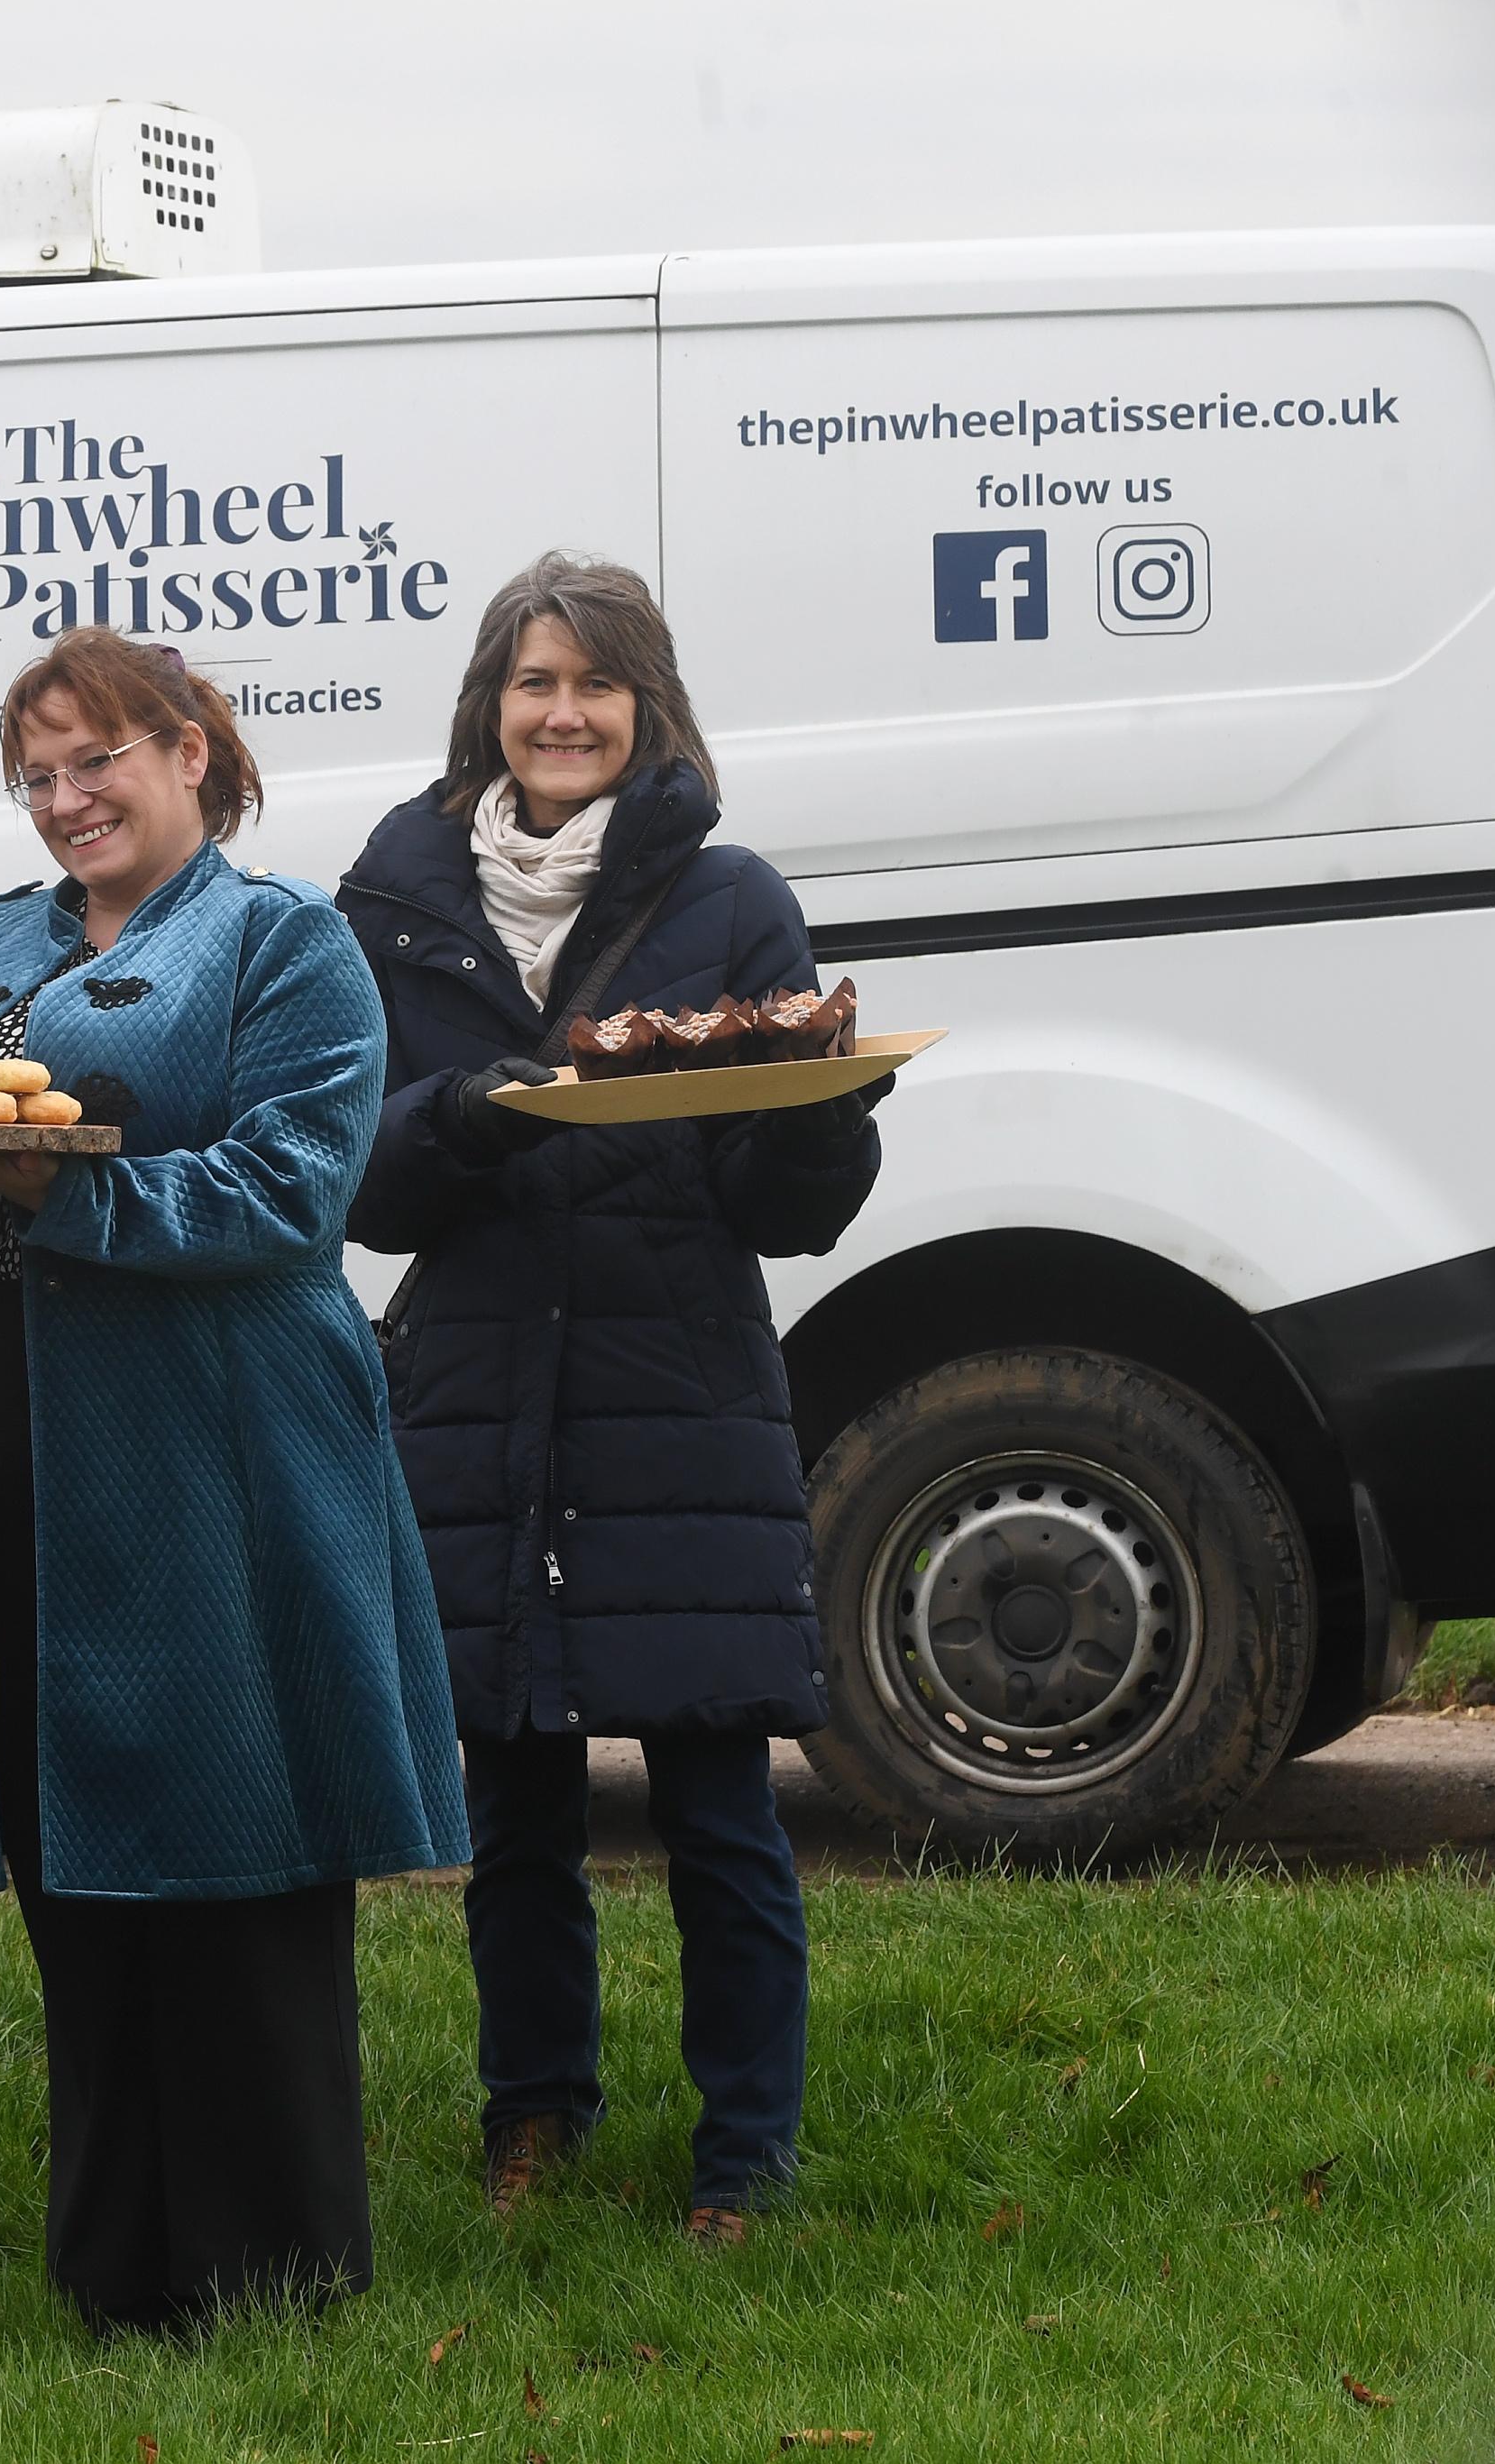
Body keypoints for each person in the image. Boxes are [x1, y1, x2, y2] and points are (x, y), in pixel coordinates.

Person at [0, 626, 466, 2336]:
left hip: (217, 1451)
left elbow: (287, 1194)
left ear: (194, 751)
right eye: (36, 773)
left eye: (97, 757)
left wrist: (50, 1199)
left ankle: (269, 2271)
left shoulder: (286, 944)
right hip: (10, 1443)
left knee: (237, 1839)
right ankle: (116, 2270)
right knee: (71, 1844)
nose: (64, 798)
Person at [337, 553, 885, 2245]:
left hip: (676, 1389)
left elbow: (792, 1200)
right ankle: (535, 2116)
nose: (560, 714)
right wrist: (469, 1116)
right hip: (483, 1397)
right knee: (514, 1812)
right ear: (486, 708)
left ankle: (745, 2158)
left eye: (593, 685)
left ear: (645, 713)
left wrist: (807, 1115)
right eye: (532, 682)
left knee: (720, 1804)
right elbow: (361, 1180)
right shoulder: (394, 899)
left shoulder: (726, 896)